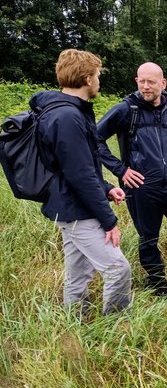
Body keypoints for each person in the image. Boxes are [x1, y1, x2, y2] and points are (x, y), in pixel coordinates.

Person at [31, 49, 131, 316]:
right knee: (118, 268)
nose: (99, 80)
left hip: (69, 204)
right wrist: (109, 221)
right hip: (76, 208)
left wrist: (107, 188)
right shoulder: (67, 117)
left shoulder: (70, 112)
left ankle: (75, 324)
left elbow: (79, 166)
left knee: (78, 275)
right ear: (87, 78)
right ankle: (117, 327)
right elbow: (80, 175)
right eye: (97, 75)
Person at [97, 62, 167, 296]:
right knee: (149, 238)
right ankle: (158, 287)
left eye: (151, 82)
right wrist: (121, 170)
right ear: (137, 81)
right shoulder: (126, 110)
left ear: (163, 83)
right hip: (141, 188)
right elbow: (94, 139)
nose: (145, 87)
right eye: (141, 81)